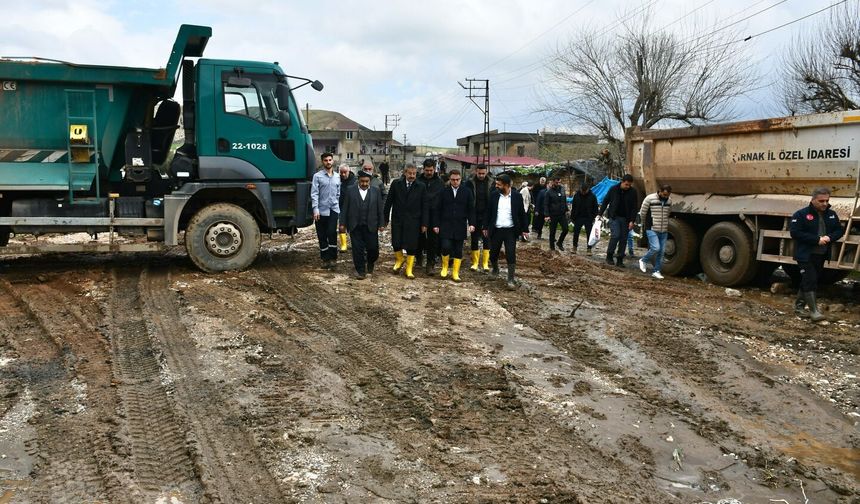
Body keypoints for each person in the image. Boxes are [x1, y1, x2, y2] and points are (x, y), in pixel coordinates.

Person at [789, 187, 843, 322]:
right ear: (813, 200)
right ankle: (814, 311)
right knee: (811, 279)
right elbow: (795, 233)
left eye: (827, 201)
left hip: (821, 254)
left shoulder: (831, 214)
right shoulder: (800, 214)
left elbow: (839, 230)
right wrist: (816, 239)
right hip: (805, 254)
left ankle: (799, 307)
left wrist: (830, 238)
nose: (825, 203)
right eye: (821, 201)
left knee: (809, 279)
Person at [485, 174, 529, 289]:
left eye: (499, 184)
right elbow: (488, 212)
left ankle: (510, 279)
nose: (496, 186)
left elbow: (522, 214)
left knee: (510, 253)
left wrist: (525, 229)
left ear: (507, 185)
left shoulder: (517, 197)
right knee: (493, 254)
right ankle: (495, 269)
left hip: (510, 230)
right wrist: (485, 227)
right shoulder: (494, 196)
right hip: (496, 230)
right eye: (496, 184)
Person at [384, 163, 428, 279]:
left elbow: (425, 206)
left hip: (414, 220)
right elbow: (389, 202)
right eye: (410, 173)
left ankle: (409, 269)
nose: (412, 176)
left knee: (412, 245)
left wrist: (424, 223)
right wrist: (385, 218)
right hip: (398, 218)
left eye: (414, 174)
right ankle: (399, 259)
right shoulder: (396, 184)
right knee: (396, 242)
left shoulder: (421, 186)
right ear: (405, 173)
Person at [339, 170, 385, 280]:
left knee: (373, 249)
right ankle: (360, 271)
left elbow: (379, 208)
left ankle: (370, 262)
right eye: (362, 181)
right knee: (357, 249)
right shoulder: (350, 191)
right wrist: (342, 223)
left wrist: (381, 223)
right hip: (355, 225)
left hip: (371, 225)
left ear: (370, 181)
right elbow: (345, 208)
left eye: (366, 181)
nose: (364, 184)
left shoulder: (376, 191)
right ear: (358, 181)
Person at [432, 169, 475, 282]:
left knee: (458, 249)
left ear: (461, 179)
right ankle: (445, 267)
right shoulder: (443, 192)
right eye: (453, 180)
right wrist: (436, 224)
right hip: (445, 224)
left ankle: (455, 272)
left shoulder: (467, 192)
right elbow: (437, 209)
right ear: (449, 180)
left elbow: (471, 209)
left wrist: (471, 223)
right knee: (445, 246)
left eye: (457, 180)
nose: (455, 182)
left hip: (460, 225)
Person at [599, 174, 638, 267]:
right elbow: (605, 201)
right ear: (622, 182)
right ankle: (609, 255)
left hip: (626, 219)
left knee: (623, 239)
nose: (628, 187)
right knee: (615, 235)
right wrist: (599, 213)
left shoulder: (633, 192)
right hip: (614, 217)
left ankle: (620, 259)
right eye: (626, 184)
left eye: (629, 185)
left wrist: (632, 220)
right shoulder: (613, 189)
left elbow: (634, 207)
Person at [310, 152, 341, 269]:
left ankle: (333, 258)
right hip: (320, 210)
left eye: (330, 160)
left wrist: (338, 208)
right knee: (322, 235)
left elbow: (338, 193)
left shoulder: (337, 177)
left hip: (333, 209)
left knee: (332, 233)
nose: (328, 162)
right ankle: (325, 259)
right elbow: (314, 194)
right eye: (325, 160)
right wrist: (315, 209)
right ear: (322, 162)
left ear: (333, 161)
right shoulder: (317, 176)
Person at [637, 184, 672, 279]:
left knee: (661, 251)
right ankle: (643, 260)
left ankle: (656, 271)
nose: (666, 197)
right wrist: (647, 224)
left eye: (667, 195)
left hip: (663, 229)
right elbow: (643, 212)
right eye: (664, 194)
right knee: (656, 248)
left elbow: (668, 213)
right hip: (652, 228)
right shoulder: (649, 199)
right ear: (659, 191)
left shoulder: (669, 200)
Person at [465, 164, 495, 272]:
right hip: (474, 213)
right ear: (476, 172)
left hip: (487, 214)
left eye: (483, 173)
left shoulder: (492, 183)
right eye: (479, 173)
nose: (481, 175)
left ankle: (485, 263)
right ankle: (475, 262)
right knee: (474, 238)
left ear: (486, 172)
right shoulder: (470, 183)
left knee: (487, 238)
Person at [417, 158, 444, 275]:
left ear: (434, 169)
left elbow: (442, 199)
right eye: (427, 170)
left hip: (434, 215)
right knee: (419, 238)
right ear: (423, 169)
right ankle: (418, 259)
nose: (429, 172)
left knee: (433, 241)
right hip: (419, 214)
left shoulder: (439, 182)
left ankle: (430, 264)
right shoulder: (418, 181)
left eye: (431, 170)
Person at [570, 181, 599, 255]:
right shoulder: (576, 195)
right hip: (578, 217)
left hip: (588, 218)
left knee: (589, 234)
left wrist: (595, 217)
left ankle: (589, 249)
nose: (583, 192)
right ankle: (574, 247)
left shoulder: (592, 196)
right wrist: (572, 217)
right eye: (582, 191)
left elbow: (595, 208)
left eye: (584, 191)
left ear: (588, 189)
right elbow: (574, 207)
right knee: (576, 233)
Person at [543, 174, 569, 251]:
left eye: (559, 182)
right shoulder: (549, 192)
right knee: (552, 232)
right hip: (552, 215)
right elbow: (546, 204)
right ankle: (552, 247)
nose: (558, 184)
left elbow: (564, 201)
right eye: (557, 182)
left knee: (566, 229)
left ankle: (559, 242)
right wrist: (547, 215)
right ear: (553, 182)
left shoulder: (562, 189)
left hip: (561, 214)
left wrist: (566, 209)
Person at [338, 163, 356, 253]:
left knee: (352, 227)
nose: (343, 174)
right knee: (341, 226)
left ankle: (355, 244)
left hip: (352, 207)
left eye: (345, 172)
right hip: (341, 206)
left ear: (349, 171)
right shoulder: (337, 179)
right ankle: (344, 245)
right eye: (341, 172)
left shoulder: (355, 180)